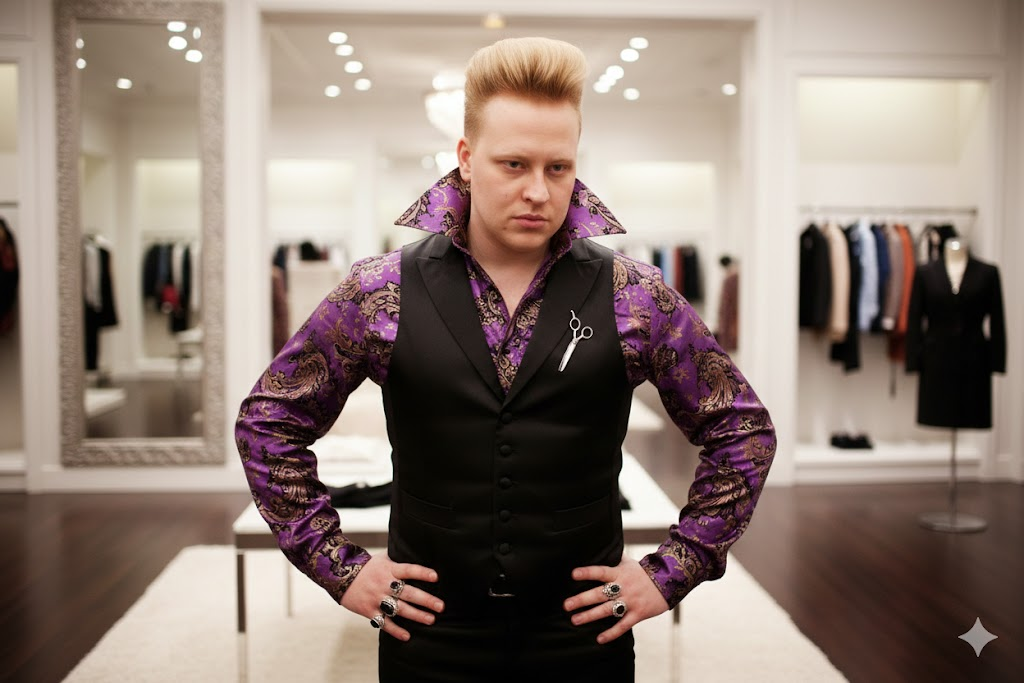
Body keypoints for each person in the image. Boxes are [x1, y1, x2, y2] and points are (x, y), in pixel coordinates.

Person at [235, 36, 776, 682]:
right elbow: (268, 423)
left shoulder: (633, 294)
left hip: (583, 637)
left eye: (558, 167)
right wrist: (339, 566)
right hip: (428, 635)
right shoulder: (379, 291)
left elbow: (743, 431)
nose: (538, 191)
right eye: (513, 164)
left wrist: (671, 571)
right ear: (466, 158)